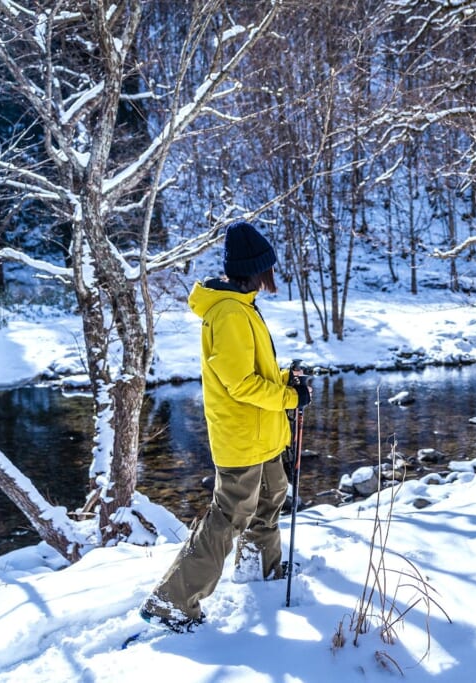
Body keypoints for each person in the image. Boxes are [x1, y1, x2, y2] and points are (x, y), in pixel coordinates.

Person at [140, 220, 310, 632]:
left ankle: (259, 569)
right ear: (256, 268)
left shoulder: (242, 304)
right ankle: (173, 601)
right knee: (227, 517)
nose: (272, 275)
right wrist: (290, 398)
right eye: (268, 267)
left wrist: (288, 378)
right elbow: (240, 385)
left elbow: (254, 372)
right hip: (242, 436)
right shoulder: (230, 314)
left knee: (271, 498)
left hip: (262, 434)